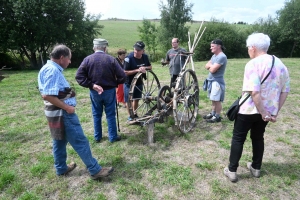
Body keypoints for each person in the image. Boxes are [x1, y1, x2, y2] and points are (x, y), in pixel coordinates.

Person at [38, 44, 114, 180]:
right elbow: (47, 95)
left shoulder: (47, 68)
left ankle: (61, 168)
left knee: (59, 140)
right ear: (61, 57)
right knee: (80, 141)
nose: (70, 61)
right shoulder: (52, 70)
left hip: (54, 113)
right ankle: (95, 170)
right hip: (63, 114)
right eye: (69, 58)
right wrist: (67, 107)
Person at [223, 33, 290, 182]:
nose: (248, 51)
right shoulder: (280, 64)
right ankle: (256, 167)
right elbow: (285, 90)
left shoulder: (253, 64)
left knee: (238, 138)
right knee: (258, 137)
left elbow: (255, 92)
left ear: (253, 48)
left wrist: (263, 111)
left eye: (248, 48)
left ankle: (232, 170)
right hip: (267, 113)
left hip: (249, 110)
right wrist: (273, 112)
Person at [75, 39, 126, 143]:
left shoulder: (87, 60)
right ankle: (113, 137)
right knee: (110, 114)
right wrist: (115, 83)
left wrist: (91, 85)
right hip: (109, 91)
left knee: (96, 114)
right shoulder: (111, 60)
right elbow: (123, 76)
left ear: (94, 48)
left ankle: (97, 137)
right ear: (105, 48)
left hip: (94, 92)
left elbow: (79, 76)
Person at [124, 41, 152, 121]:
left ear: (143, 51)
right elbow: (125, 72)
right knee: (129, 100)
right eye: (135, 49)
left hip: (139, 82)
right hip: (129, 83)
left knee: (136, 99)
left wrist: (144, 68)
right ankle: (130, 116)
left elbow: (150, 67)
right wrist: (137, 70)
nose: (136, 51)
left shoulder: (145, 57)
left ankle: (134, 113)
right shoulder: (128, 58)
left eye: (139, 50)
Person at [203, 39, 227, 123]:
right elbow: (206, 66)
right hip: (212, 80)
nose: (211, 48)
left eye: (212, 46)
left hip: (217, 81)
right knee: (213, 99)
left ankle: (217, 116)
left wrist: (211, 66)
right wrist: (211, 66)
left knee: (217, 100)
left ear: (219, 46)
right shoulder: (214, 56)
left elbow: (212, 70)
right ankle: (212, 113)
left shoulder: (222, 56)